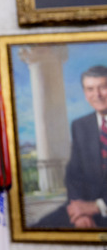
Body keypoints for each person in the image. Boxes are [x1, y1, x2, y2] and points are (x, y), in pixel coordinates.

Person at [36, 65, 107, 228]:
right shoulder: (80, 125)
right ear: (85, 93)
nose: (97, 95)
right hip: (85, 208)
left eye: (103, 87)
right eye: (90, 89)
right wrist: (79, 212)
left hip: (101, 208)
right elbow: (74, 174)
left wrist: (98, 207)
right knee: (41, 227)